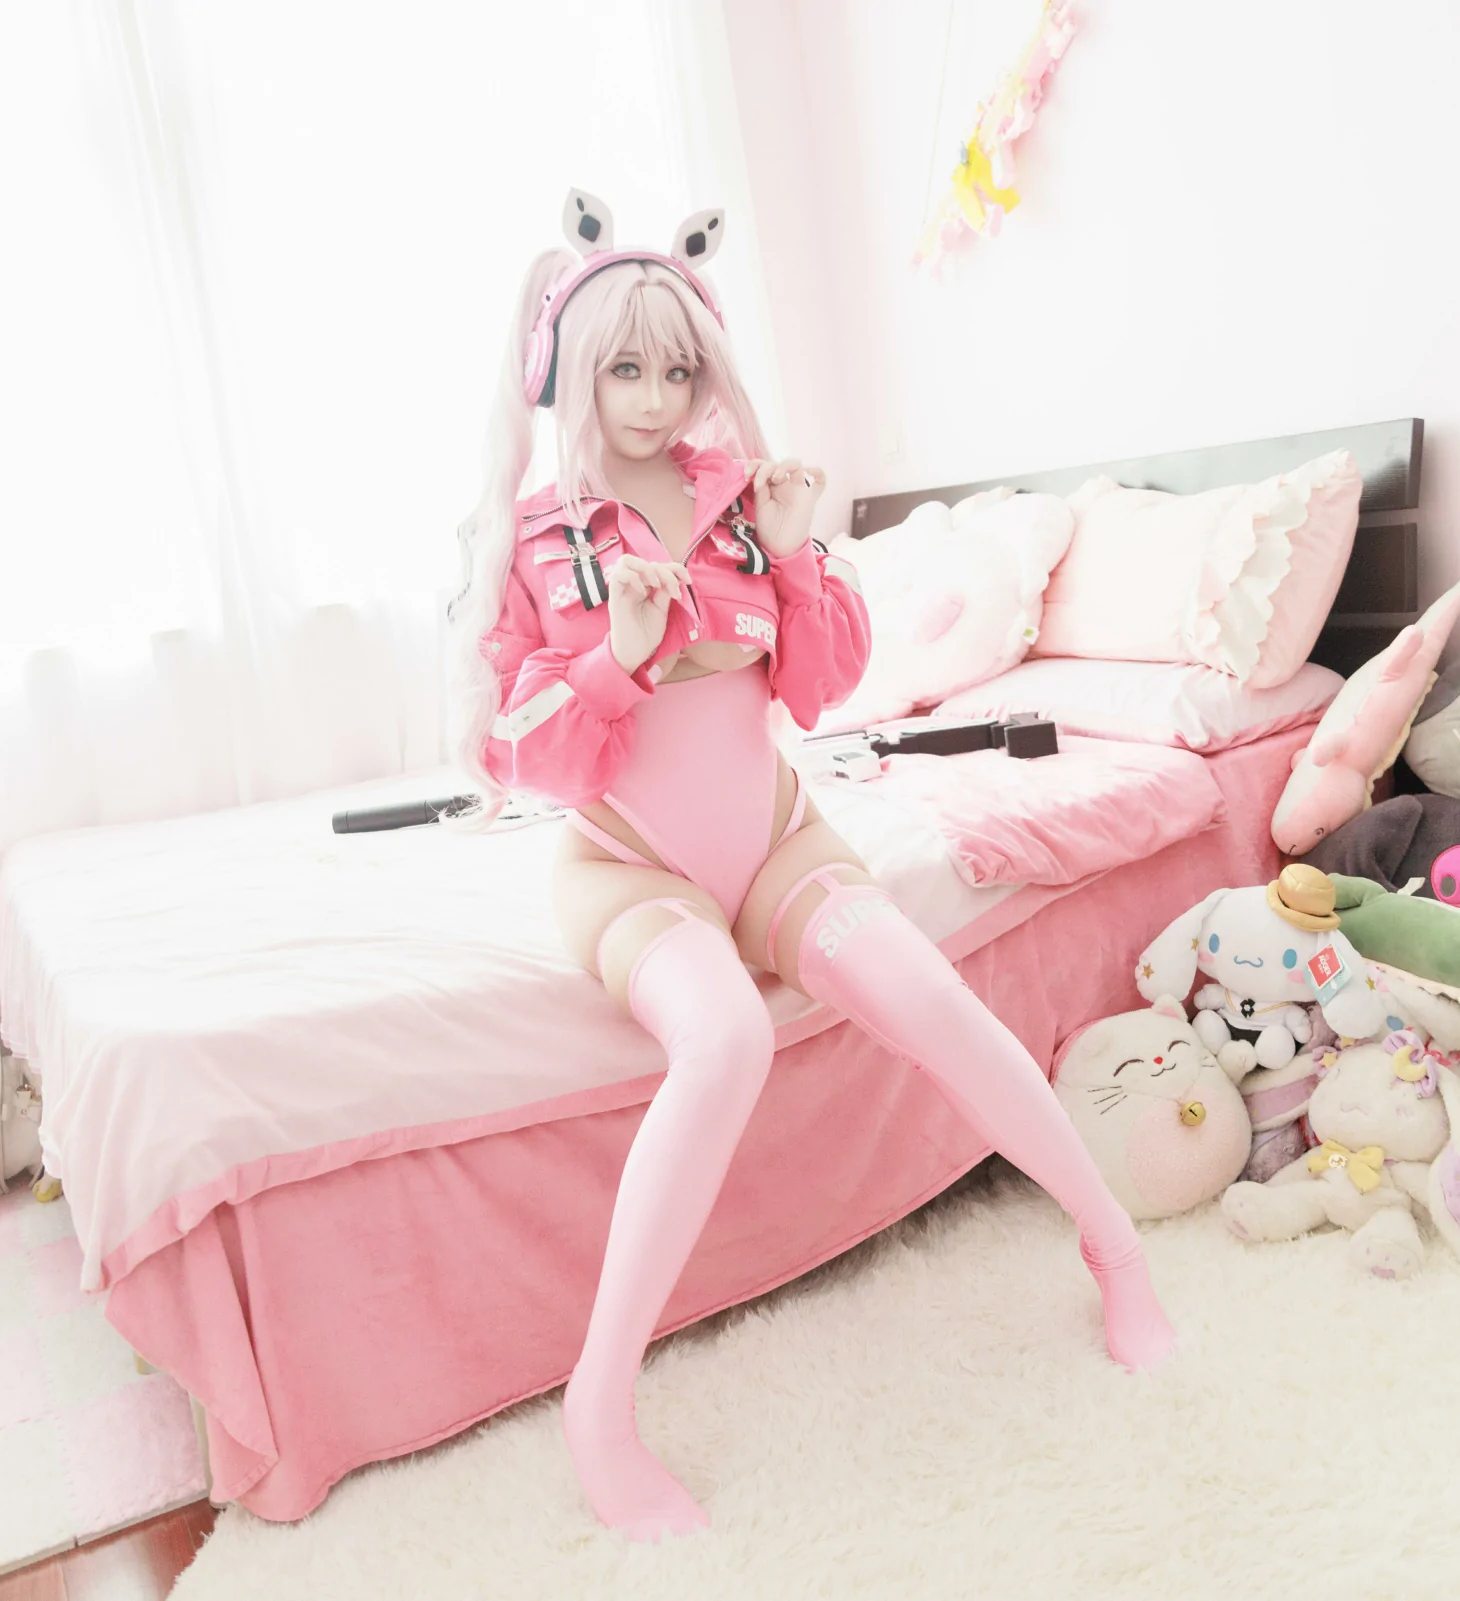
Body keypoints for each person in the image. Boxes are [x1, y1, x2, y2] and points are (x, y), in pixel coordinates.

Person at [446, 190, 1176, 1543]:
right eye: (624, 369)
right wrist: (614, 662)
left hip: (782, 842)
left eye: (679, 371)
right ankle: (600, 1406)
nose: (657, 400)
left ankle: (1114, 1248)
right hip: (631, 869)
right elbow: (518, 752)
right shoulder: (539, 538)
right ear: (565, 371)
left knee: (932, 996)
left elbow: (824, 688)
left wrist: (791, 558)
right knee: (723, 1039)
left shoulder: (744, 506)